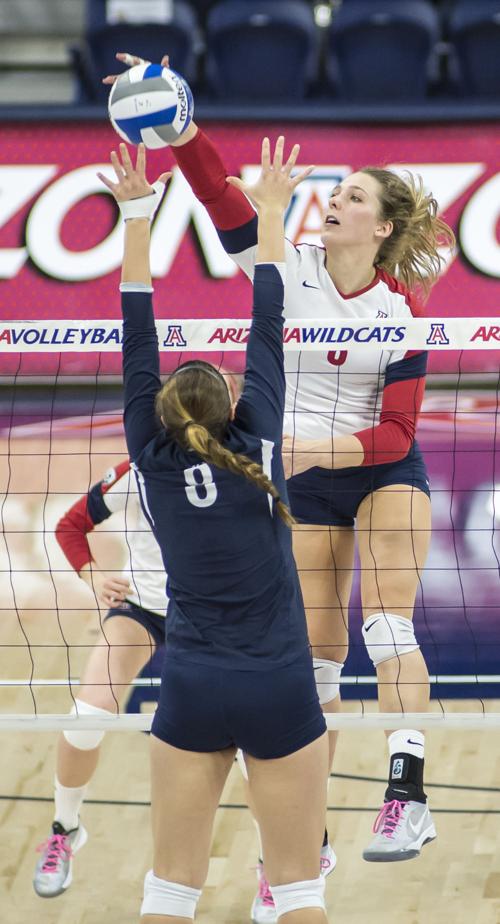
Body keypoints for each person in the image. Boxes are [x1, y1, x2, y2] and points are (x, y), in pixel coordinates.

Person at [104, 50, 455, 884]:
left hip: (378, 472)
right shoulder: (287, 266)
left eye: (352, 199)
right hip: (298, 483)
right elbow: (223, 199)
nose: (333, 203)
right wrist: (181, 125)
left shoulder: (399, 314)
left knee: (389, 628)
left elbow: (398, 436)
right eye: (333, 195)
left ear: (383, 229)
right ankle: (311, 840)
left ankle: (407, 791)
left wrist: (300, 448)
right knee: (319, 663)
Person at [98, 135, 331, 924]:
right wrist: (272, 211)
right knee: (299, 891)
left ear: (159, 414)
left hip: (193, 687)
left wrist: (137, 219)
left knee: (169, 891)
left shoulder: (149, 453)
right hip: (278, 686)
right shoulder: (258, 434)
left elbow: (137, 331)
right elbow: (269, 313)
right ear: (233, 406)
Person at [33, 461, 168, 897]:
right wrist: (93, 574)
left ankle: (276, 862)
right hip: (141, 607)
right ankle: (65, 827)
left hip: (212, 612)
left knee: (246, 742)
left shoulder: (241, 460)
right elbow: (69, 526)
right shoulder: (141, 470)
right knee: (86, 715)